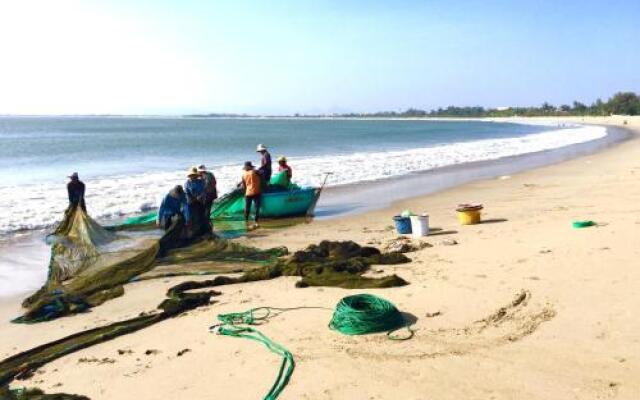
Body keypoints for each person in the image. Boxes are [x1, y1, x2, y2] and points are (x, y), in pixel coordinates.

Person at [157, 185, 189, 253]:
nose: (178, 196)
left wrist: (187, 218)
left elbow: (186, 207)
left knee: (181, 223)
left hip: (177, 212)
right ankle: (166, 244)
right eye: (177, 194)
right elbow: (161, 209)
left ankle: (176, 241)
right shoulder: (167, 197)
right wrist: (159, 219)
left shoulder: (183, 195)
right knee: (167, 228)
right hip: (167, 213)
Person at [184, 166, 210, 236]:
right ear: (190, 175)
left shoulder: (201, 182)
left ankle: (200, 231)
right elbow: (186, 192)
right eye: (192, 175)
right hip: (190, 202)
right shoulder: (187, 183)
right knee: (190, 217)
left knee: (200, 216)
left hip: (199, 201)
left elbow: (204, 190)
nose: (193, 176)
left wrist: (199, 196)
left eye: (194, 175)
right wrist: (193, 198)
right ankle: (191, 232)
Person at [240, 161, 262, 225]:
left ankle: (246, 221)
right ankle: (256, 221)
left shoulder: (243, 175)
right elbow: (262, 174)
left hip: (248, 193)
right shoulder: (254, 171)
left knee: (247, 207)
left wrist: (244, 192)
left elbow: (244, 186)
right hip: (256, 192)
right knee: (257, 207)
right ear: (251, 167)